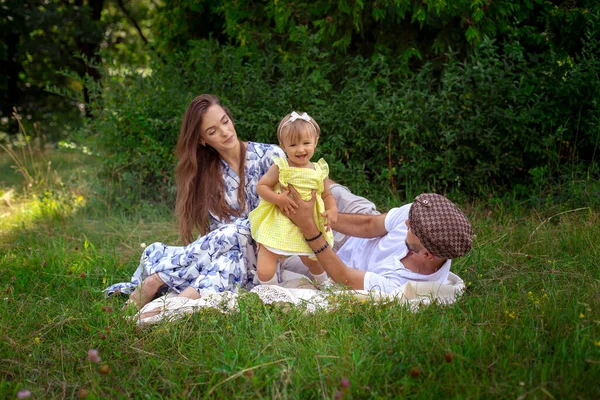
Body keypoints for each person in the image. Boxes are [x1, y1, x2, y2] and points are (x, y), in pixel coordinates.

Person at [104, 94, 286, 308]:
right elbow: (214, 233)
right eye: (212, 131)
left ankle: (159, 277)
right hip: (231, 257)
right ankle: (166, 309)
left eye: (225, 121)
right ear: (202, 140)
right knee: (227, 262)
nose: (225, 132)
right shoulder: (206, 175)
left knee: (237, 231)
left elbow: (286, 211)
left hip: (265, 252)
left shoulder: (271, 155)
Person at [284, 189, 474, 292]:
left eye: (412, 228)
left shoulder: (401, 286)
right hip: (365, 233)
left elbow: (343, 276)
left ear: (427, 254)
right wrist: (322, 217)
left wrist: (308, 226)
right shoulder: (417, 217)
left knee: (280, 253)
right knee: (331, 189)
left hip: (338, 264)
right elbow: (369, 224)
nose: (407, 222)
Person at [249, 111, 337, 287]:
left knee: (313, 258)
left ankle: (323, 284)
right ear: (283, 145)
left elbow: (326, 194)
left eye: (306, 143)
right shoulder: (282, 166)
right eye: (293, 144)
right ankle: (269, 290)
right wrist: (278, 199)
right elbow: (261, 187)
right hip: (281, 220)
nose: (300, 149)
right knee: (267, 259)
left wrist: (332, 209)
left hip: (309, 222)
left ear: (316, 141)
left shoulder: (318, 170)